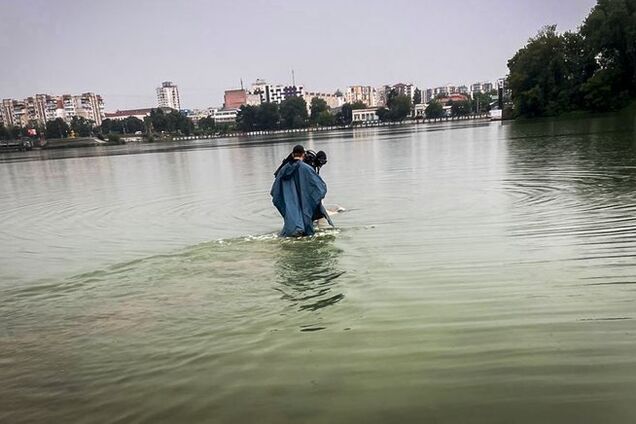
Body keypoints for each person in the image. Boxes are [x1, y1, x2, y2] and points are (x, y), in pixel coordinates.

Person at [270, 145, 333, 237]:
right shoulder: (307, 168)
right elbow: (320, 188)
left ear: (292, 154)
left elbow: (274, 192)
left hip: (290, 203)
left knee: (294, 217)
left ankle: (295, 228)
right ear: (303, 154)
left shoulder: (283, 170)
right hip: (305, 203)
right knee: (306, 222)